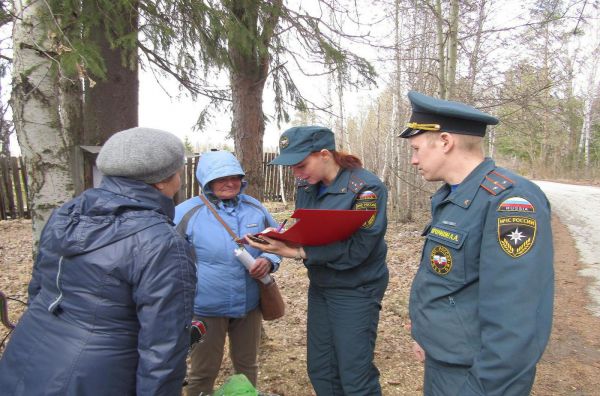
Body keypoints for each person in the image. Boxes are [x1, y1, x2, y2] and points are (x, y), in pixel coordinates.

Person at [0, 127, 197, 395]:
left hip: (28, 354)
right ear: (162, 181)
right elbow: (164, 346)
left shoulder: (65, 215)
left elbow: (39, 290)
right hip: (98, 377)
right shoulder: (162, 242)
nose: (180, 179)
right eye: (178, 171)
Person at [401, 91, 554, 395]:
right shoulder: (454, 196)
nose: (414, 159)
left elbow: (515, 323)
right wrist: (426, 335)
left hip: (476, 378)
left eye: (417, 148)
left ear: (445, 141)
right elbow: (450, 283)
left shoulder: (510, 202)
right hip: (445, 362)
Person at [245, 126, 389, 395]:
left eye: (301, 165)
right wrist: (280, 238)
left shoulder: (366, 189)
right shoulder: (307, 186)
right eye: (292, 168)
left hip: (356, 288)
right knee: (321, 368)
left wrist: (299, 252)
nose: (296, 174)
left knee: (354, 374)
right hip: (322, 284)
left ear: (325, 154)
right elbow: (306, 224)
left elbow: (361, 248)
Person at [174, 150, 282, 396]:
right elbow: (167, 257)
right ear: (206, 181)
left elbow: (277, 241)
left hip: (249, 304)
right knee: (203, 372)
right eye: (221, 178)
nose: (230, 183)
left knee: (247, 368)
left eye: (234, 177)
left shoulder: (255, 208)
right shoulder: (186, 213)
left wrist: (269, 259)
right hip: (205, 307)